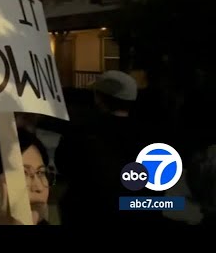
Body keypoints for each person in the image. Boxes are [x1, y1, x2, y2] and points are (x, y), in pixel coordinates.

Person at [55, 70, 166, 225]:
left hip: (88, 213)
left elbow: (63, 164)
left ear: (99, 98)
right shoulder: (150, 136)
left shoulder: (83, 131)